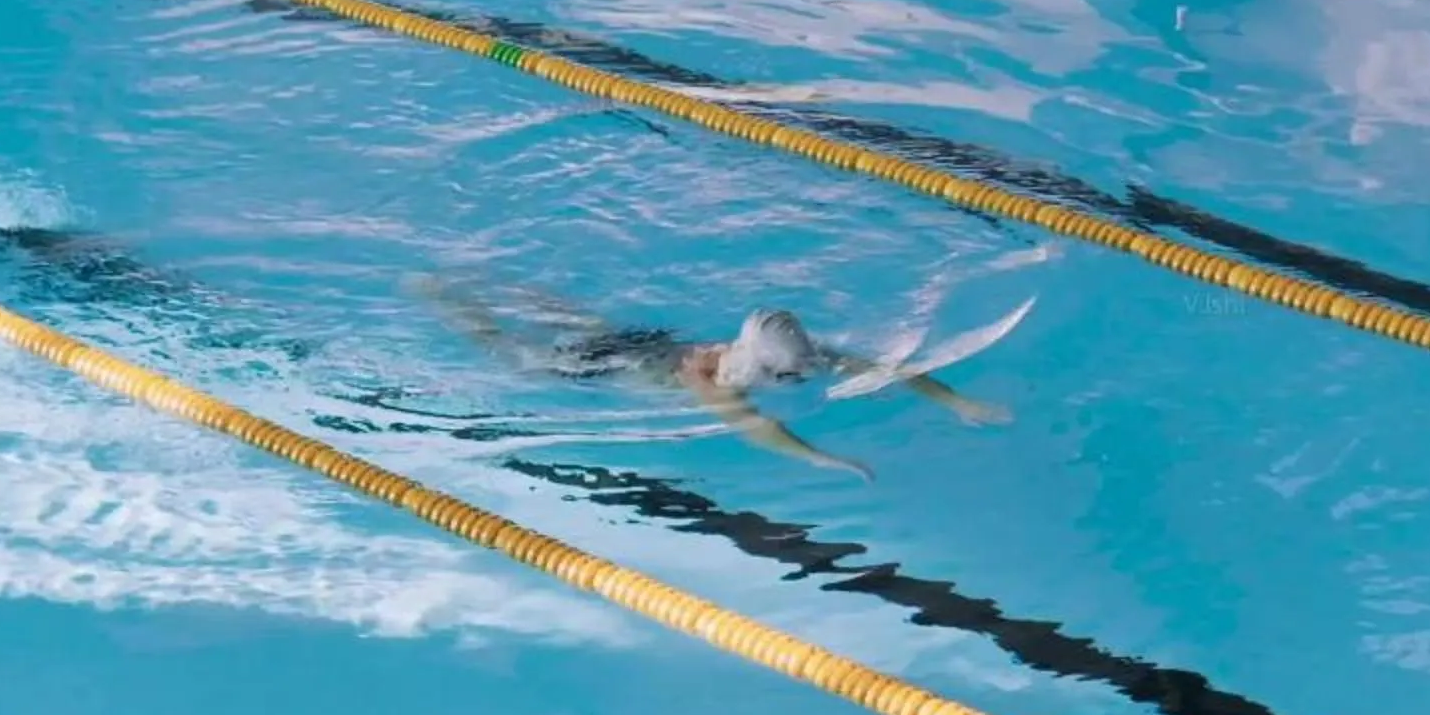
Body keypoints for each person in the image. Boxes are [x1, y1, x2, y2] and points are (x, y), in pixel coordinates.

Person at [421, 281, 1008, 481]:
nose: (810, 370)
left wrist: (958, 402)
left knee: (587, 323)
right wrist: (827, 460)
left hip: (646, 342)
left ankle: (496, 288)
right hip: (614, 368)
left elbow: (887, 369)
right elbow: (757, 428)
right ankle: (445, 299)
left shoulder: (786, 353)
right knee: (511, 353)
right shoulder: (711, 380)